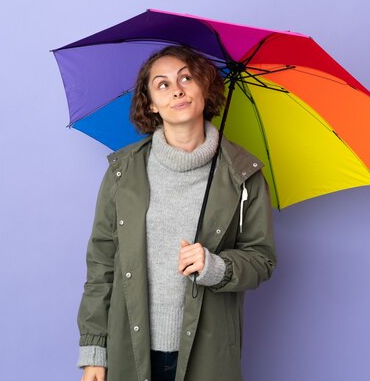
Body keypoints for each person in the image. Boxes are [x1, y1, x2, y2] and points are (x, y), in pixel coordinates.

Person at [77, 45, 277, 381]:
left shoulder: (243, 175)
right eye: (163, 84)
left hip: (208, 353)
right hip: (130, 349)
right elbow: (101, 266)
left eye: (187, 78)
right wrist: (94, 352)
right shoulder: (123, 172)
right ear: (151, 104)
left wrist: (215, 266)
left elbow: (262, 260)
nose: (177, 90)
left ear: (204, 89)